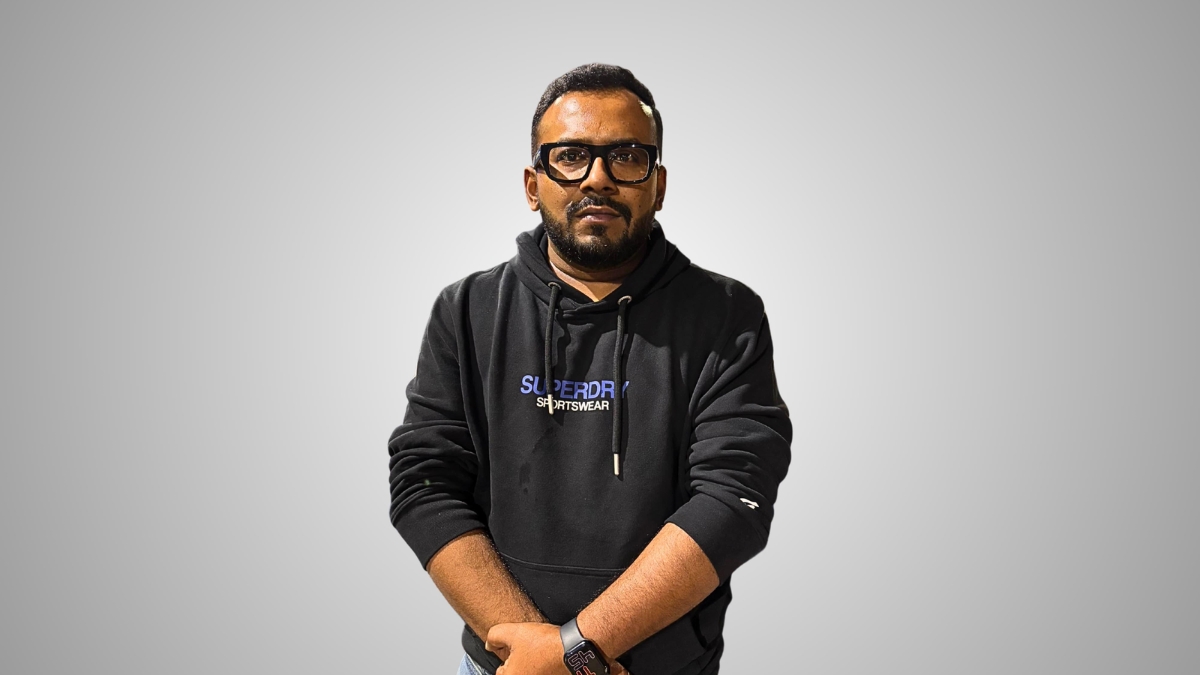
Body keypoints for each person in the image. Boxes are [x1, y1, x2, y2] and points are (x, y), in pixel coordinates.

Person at [388, 63, 792, 675]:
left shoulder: (727, 316)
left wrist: (577, 650)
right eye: (571, 156)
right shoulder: (466, 311)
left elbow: (734, 499)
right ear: (533, 184)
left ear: (658, 184)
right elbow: (424, 484)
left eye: (626, 156)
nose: (597, 178)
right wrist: (536, 656)